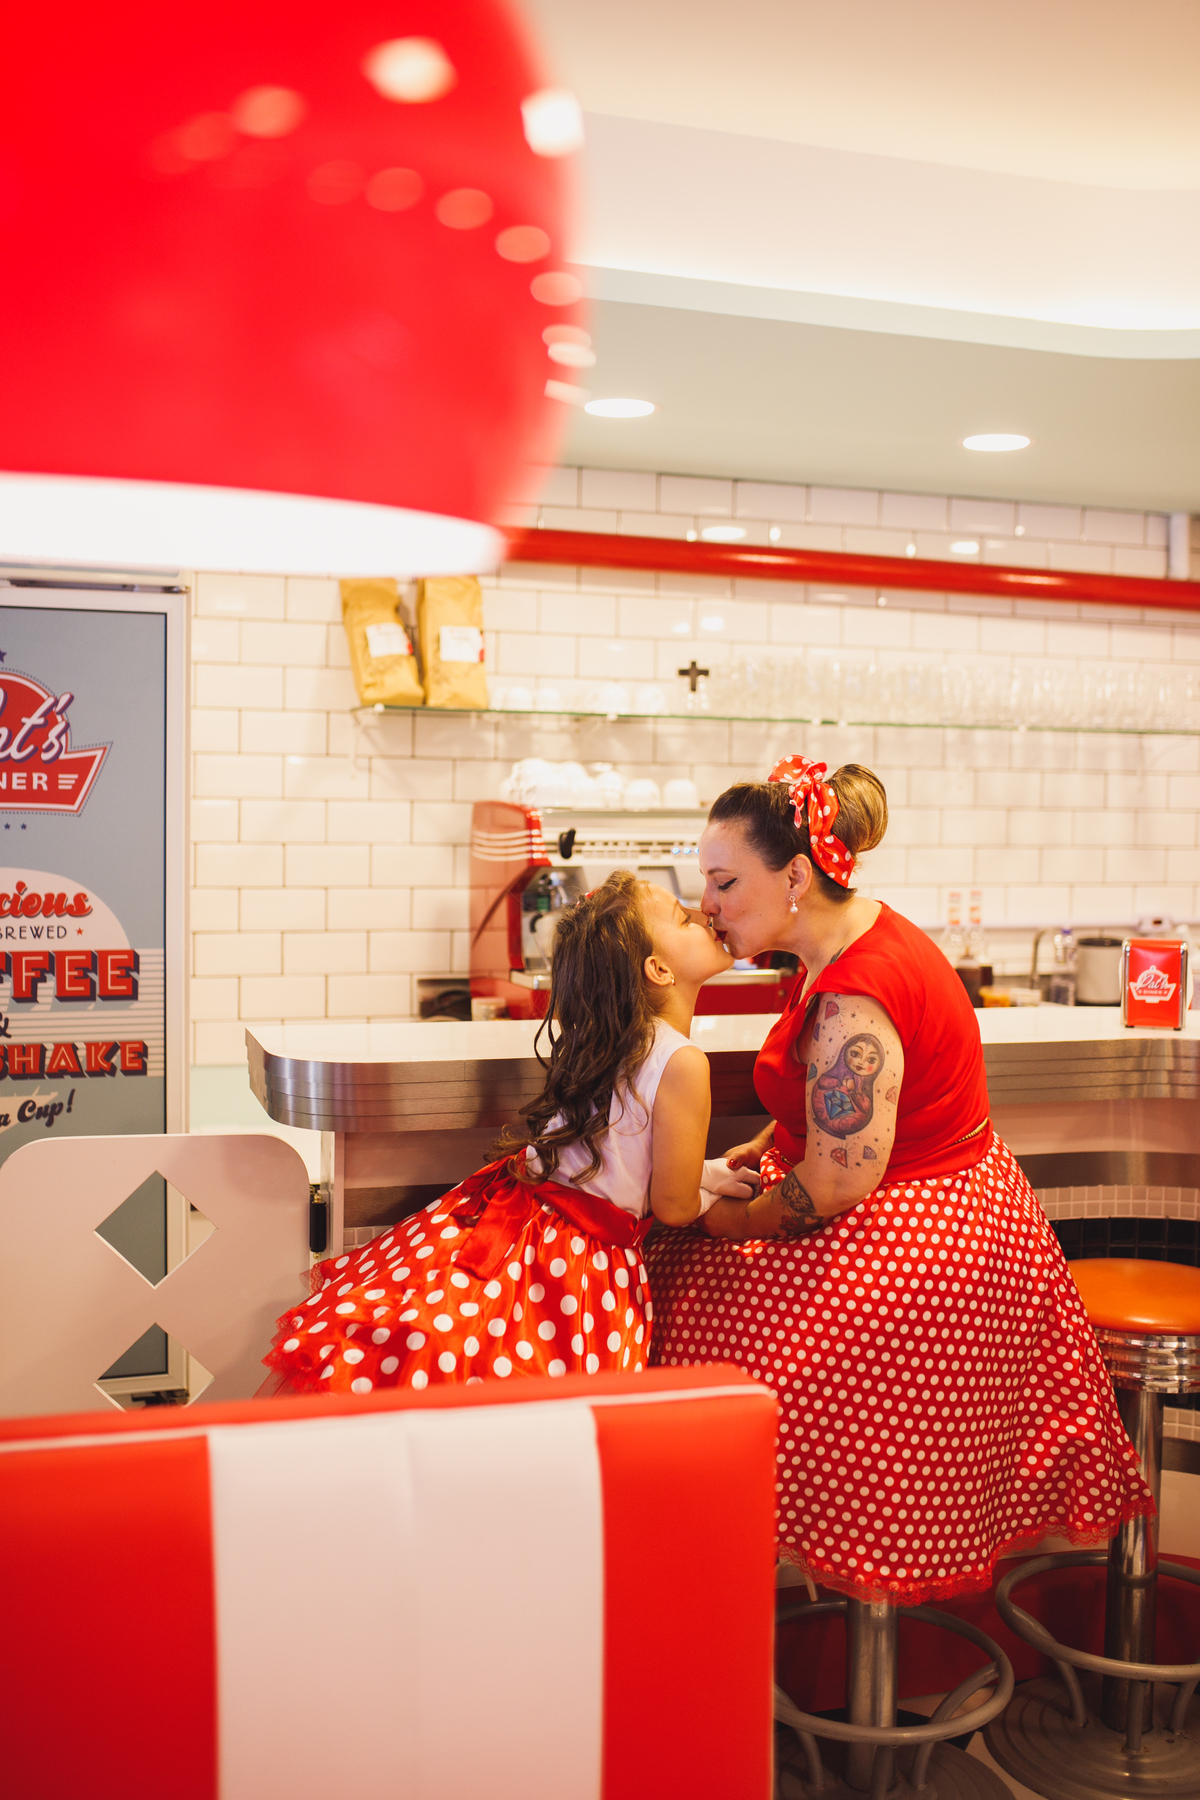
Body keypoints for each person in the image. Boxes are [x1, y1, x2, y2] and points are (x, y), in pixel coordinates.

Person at [646, 753, 1152, 1604]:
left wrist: (733, 1222)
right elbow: (835, 1107)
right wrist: (766, 1144)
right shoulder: (844, 939)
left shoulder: (857, 996)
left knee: (707, 1350)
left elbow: (838, 1182)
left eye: (725, 882)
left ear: (797, 876)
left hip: (930, 1252)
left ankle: (768, 1579)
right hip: (930, 1211)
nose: (709, 904)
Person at [263, 870, 750, 1395]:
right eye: (684, 918)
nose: (704, 914)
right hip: (575, 1265)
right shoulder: (683, 1061)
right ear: (657, 969)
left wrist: (708, 1174)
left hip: (524, 1228)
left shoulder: (612, 1038)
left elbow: (625, 1165)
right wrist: (711, 1189)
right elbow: (673, 1205)